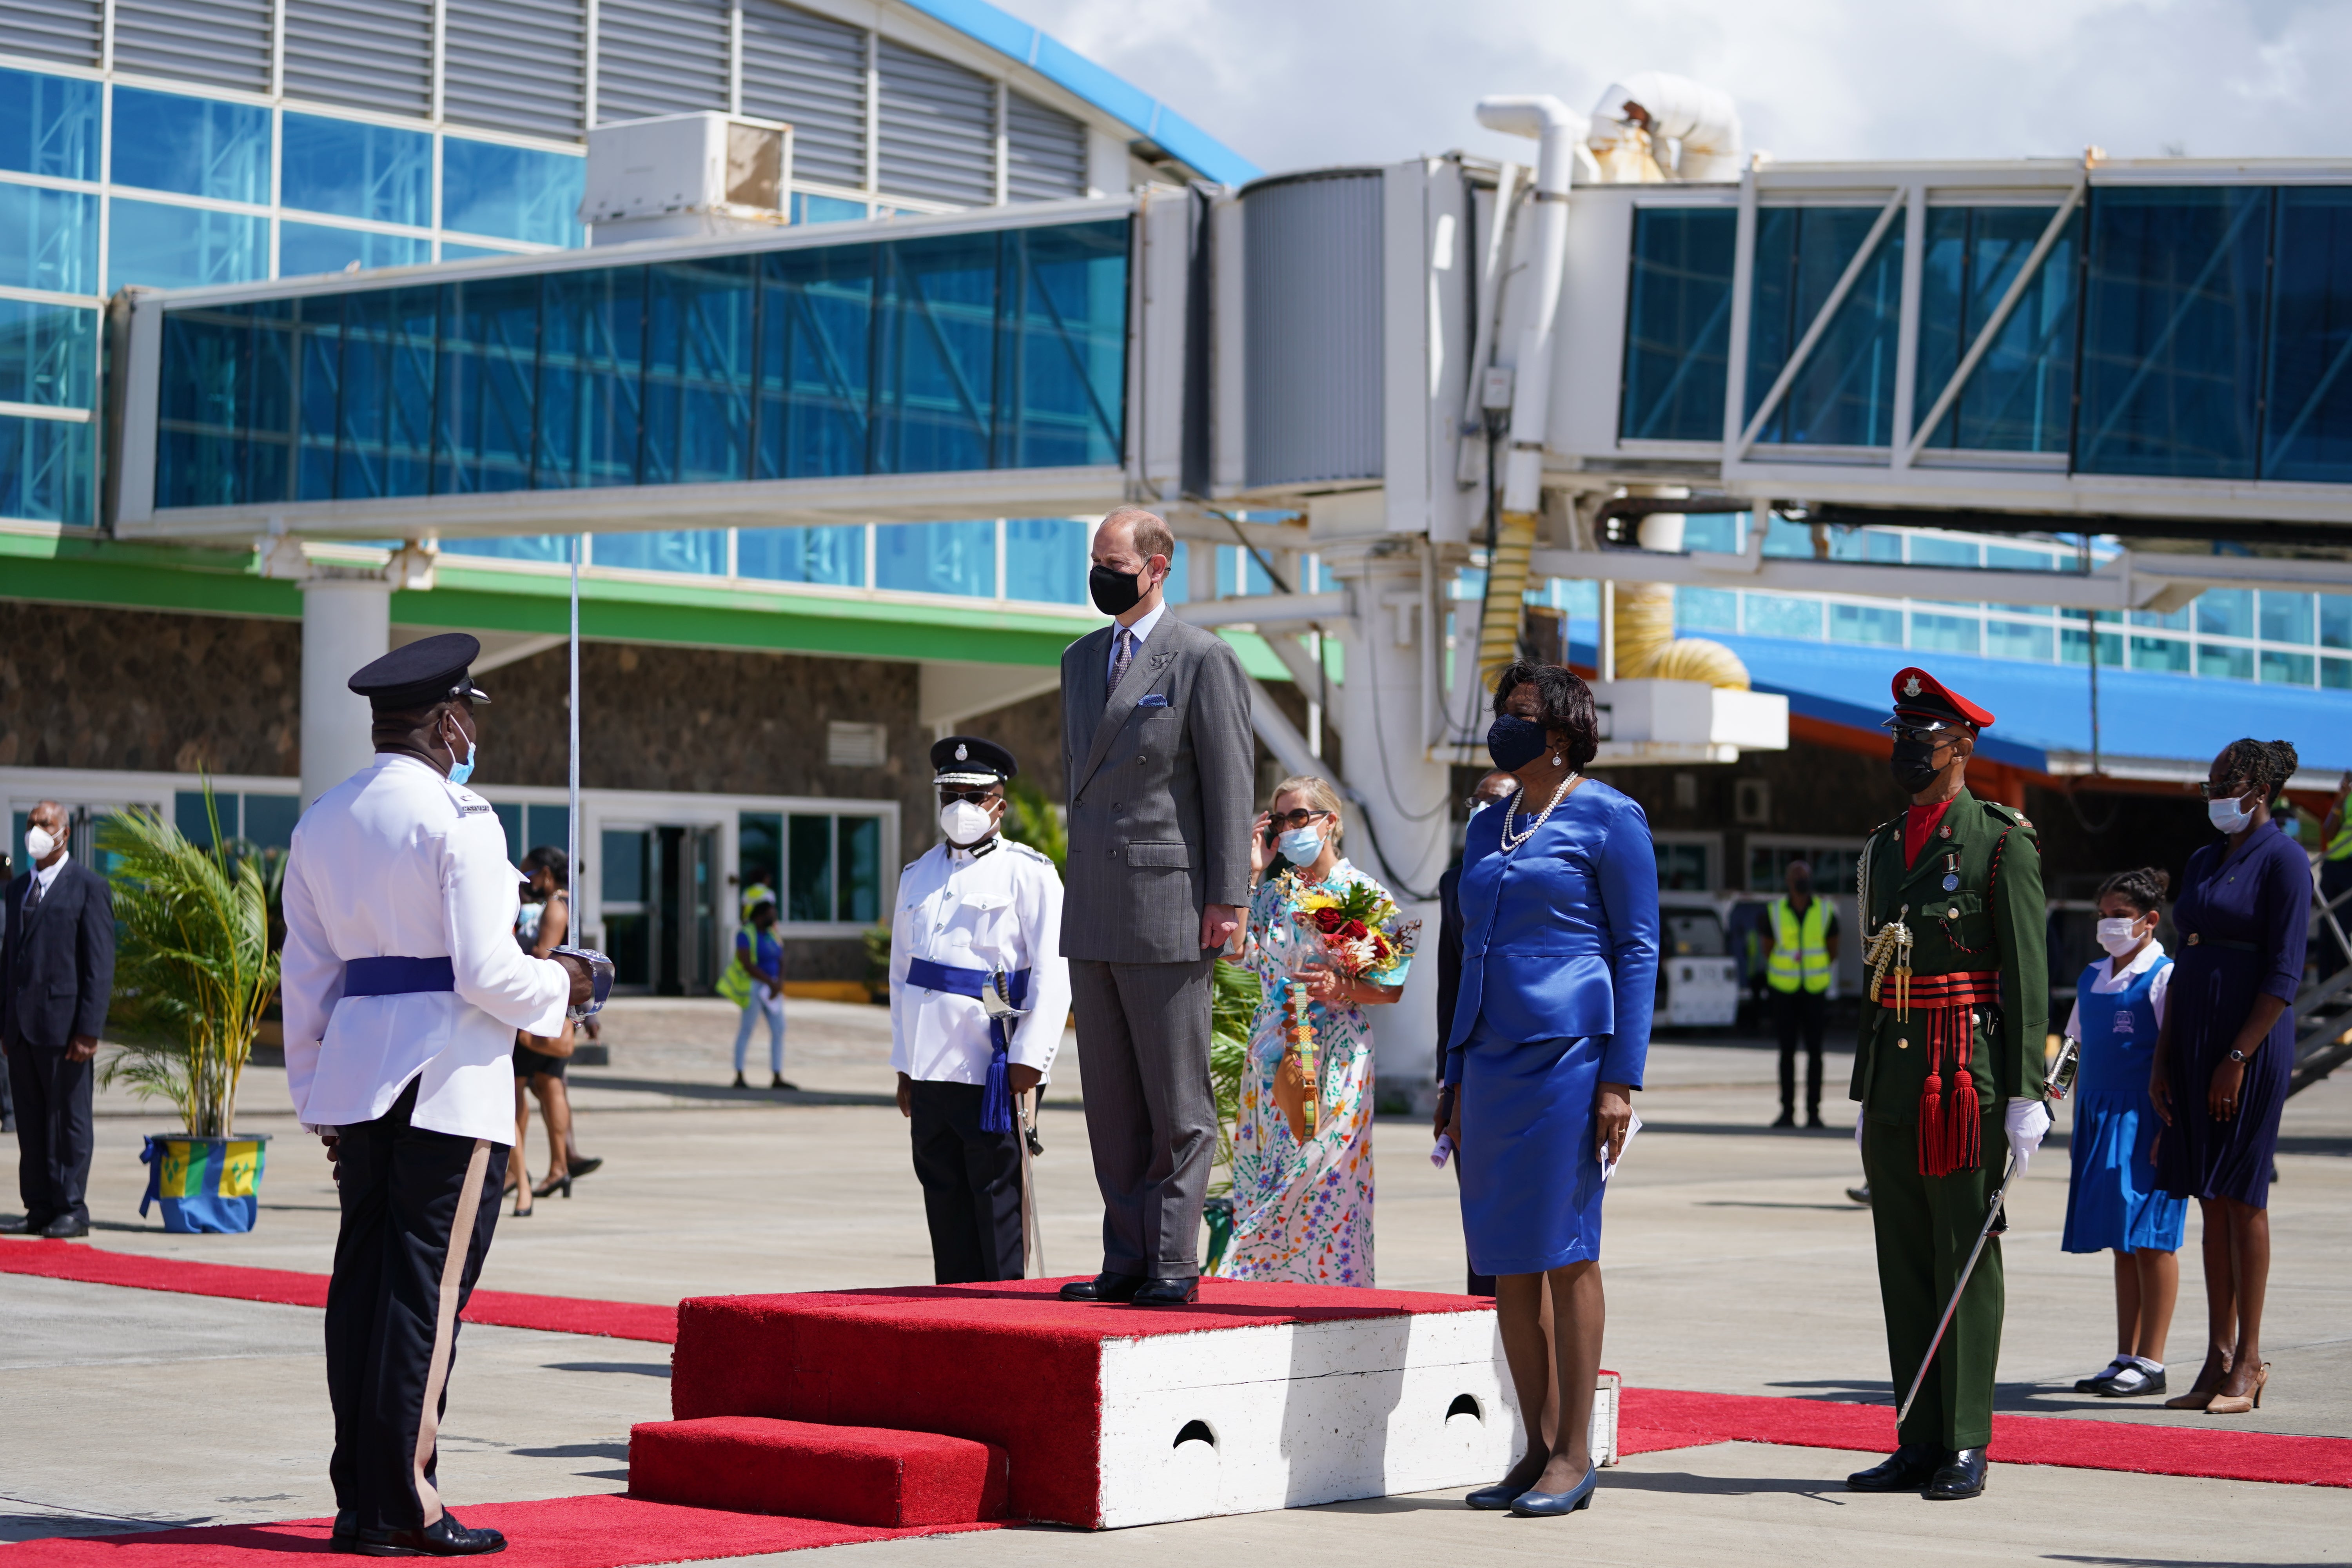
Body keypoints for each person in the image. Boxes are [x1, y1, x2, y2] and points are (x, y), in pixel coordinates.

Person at [279, 632, 592, 1557]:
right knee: (425, 1295)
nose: (471, 733)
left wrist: (317, 1094)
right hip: (449, 1087)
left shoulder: (324, 820)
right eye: (468, 717)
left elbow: (308, 977)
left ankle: (360, 1499)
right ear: (447, 718)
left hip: (362, 1083)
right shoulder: (462, 820)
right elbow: (488, 971)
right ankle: (405, 1500)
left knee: (364, 1291)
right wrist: (565, 985)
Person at [1443, 661, 1657, 1519]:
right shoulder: (1489, 824)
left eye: (1521, 712)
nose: (1504, 723)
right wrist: (1455, 1068)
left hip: (1570, 1051)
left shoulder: (1610, 816)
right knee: (1504, 1261)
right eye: (1502, 711)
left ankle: (1575, 1450)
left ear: (1562, 731)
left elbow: (1639, 946)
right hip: (1490, 1056)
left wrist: (1622, 1075)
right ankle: (1532, 1443)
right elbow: (1469, 952)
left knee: (1566, 1249)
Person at [1846, 668, 2047, 1504]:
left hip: (1965, 1075)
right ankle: (1917, 1435)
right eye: (1899, 736)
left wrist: (2028, 1093)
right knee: (1904, 1260)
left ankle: (1966, 1437)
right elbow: (1878, 970)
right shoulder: (1886, 845)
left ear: (1962, 746)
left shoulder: (2002, 841)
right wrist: (1864, 1091)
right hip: (1897, 1074)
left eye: (1921, 739)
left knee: (1964, 1256)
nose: (1906, 751)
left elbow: (2028, 976)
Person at [1056, 506, 1255, 1309]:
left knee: (1178, 1100)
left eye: (1114, 561)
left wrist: (1227, 900)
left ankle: (1173, 1259)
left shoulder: (1201, 658)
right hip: (1097, 907)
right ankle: (1127, 1256)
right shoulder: (1079, 661)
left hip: (1170, 903)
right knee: (1111, 1101)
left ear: (1158, 566)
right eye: (1095, 560)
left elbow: (1230, 785)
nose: (1101, 575)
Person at [2152, 738, 2308, 1416]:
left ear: (2260, 789)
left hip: (2248, 1049)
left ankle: (2250, 1360)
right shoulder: (2204, 859)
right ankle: (2216, 1359)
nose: (2216, 795)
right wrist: (2164, 1058)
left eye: (2228, 784)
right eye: (2211, 783)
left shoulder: (2286, 861)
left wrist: (2237, 1057)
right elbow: (2185, 956)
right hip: (2190, 1044)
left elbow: (2284, 973)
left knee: (2243, 1199)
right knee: (2209, 1199)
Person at [1212, 776, 1411, 1286]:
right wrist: (1250, 874)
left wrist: (1340, 984)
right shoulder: (1275, 894)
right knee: (1269, 1175)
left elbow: (1389, 987)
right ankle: (1260, 1296)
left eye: (1300, 817)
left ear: (1330, 822)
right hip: (1273, 1055)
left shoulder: (1361, 894)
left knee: (1324, 1180)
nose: (1289, 828)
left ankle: (1327, 1294)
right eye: (1280, 820)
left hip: (1335, 1056)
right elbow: (1236, 952)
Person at [890, 736, 1069, 1283]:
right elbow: (902, 977)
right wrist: (903, 1065)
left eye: (975, 795)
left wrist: (1032, 1061)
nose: (961, 807)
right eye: (951, 794)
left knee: (997, 1202)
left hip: (994, 1069)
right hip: (930, 1069)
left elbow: (1054, 972)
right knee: (943, 1199)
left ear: (1000, 804)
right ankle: (953, 1321)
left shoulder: (1030, 873)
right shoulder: (917, 875)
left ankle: (1003, 1321)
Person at [2060, 866, 2184, 1399]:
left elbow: (2177, 1059)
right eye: (2103, 916)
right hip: (2098, 1115)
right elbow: (2072, 1050)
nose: (2109, 925)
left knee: (2152, 1239)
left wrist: (2172, 1128)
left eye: (2121, 917)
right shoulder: (2090, 977)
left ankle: (2152, 1361)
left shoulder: (2164, 978)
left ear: (2149, 922)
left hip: (2148, 1118)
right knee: (2122, 1242)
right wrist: (2044, 1104)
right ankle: (2125, 1354)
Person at [0, 800, 114, 1239]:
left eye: (44, 823)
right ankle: (39, 1206)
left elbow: (99, 966)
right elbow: (9, 961)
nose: (35, 830)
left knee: (68, 1120)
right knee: (29, 1121)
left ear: (64, 833)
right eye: (31, 823)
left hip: (66, 1029)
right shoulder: (17, 890)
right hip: (22, 1030)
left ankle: (72, 1208)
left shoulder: (88, 886)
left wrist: (89, 1029)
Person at [1436, 769, 1517, 1298]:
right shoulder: (1454, 881)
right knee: (1480, 1216)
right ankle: (1481, 1324)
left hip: (1535, 1064)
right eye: (1477, 801)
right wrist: (1447, 1082)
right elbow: (1449, 985)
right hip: (1474, 1070)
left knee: (1529, 1220)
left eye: (1495, 803)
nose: (1481, 812)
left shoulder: (1542, 874)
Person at [508, 847, 599, 1213]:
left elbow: (546, 956)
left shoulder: (555, 907)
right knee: (551, 1084)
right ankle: (558, 1167)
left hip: (541, 1013)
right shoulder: (569, 907)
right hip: (559, 1013)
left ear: (546, 874)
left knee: (518, 1089)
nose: (526, 880)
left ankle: (524, 1171)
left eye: (529, 873)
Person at [1761, 858, 1841, 1129]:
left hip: (1815, 990)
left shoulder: (1825, 910)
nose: (1800, 880)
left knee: (1816, 1053)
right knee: (1787, 1053)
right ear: (1787, 880)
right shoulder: (1773, 912)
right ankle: (1787, 1112)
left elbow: (1833, 949)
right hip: (1784, 990)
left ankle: (1814, 1113)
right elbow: (1767, 948)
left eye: (1804, 875)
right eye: (1796, 875)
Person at [732, 900, 792, 1091]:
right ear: (759, 916)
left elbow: (782, 959)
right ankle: (739, 1074)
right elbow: (746, 963)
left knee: (779, 1029)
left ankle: (777, 1075)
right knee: (747, 1029)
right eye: (770, 914)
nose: (773, 918)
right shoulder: (745, 934)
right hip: (755, 987)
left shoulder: (772, 934)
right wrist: (770, 982)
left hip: (773, 989)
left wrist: (779, 983)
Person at [2317, 771, 2352, 971]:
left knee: (2344, 928)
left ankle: (2339, 989)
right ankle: (2326, 991)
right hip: (2334, 865)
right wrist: (2340, 801)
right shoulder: (2346, 798)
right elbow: (2329, 834)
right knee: (2327, 929)